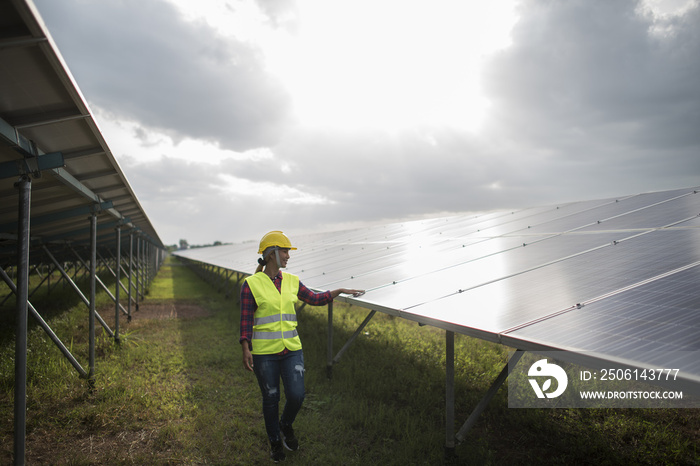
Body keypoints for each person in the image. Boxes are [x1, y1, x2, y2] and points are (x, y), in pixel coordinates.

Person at [239, 231, 364, 463]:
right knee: (271, 398)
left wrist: (338, 291)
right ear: (271, 254)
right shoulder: (251, 284)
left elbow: (315, 299)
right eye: (285, 251)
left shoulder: (292, 281)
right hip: (265, 354)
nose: (288, 256)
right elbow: (246, 319)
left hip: (291, 350)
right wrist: (246, 347)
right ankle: (275, 443)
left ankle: (285, 425)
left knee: (297, 395)